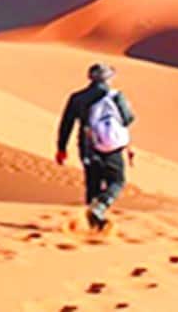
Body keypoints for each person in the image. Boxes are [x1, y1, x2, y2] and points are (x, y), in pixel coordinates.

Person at [55, 63, 136, 230]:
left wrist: (61, 148)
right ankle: (100, 208)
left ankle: (93, 225)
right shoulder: (116, 95)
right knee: (117, 181)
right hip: (112, 146)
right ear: (108, 78)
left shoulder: (77, 98)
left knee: (93, 184)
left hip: (87, 145)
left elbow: (66, 124)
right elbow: (128, 119)